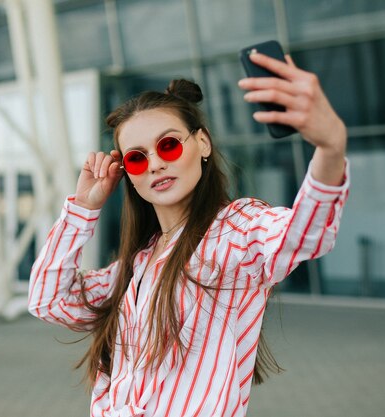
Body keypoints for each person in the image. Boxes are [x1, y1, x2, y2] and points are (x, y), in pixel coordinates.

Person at [29, 51, 349, 417]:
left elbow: (305, 235)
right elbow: (48, 300)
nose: (156, 163)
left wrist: (330, 147)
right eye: (137, 157)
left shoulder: (231, 233)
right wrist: (83, 208)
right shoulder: (138, 264)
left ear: (203, 144)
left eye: (169, 145)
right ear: (128, 174)